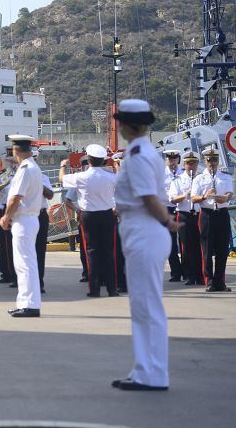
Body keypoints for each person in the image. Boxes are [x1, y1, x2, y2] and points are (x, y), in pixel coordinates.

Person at [109, 99, 180, 391]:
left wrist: (167, 222)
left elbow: (149, 197)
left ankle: (150, 374)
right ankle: (147, 371)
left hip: (144, 226)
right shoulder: (147, 151)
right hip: (144, 228)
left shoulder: (137, 155)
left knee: (145, 306)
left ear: (127, 124)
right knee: (146, 305)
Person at [60, 144, 119, 297]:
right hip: (107, 215)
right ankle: (112, 289)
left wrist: (62, 166)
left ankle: (94, 289)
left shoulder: (82, 177)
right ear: (103, 160)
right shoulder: (111, 177)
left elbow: (62, 180)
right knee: (108, 251)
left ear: (89, 159)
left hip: (89, 216)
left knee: (91, 252)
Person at [0, 135, 43, 317]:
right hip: (28, 219)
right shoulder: (32, 167)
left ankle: (30, 305)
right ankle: (26, 302)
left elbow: (16, 197)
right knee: (24, 263)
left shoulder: (25, 168)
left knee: (25, 264)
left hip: (24, 219)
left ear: (16, 150)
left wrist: (6, 217)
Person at [191, 147, 232, 292]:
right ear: (205, 161)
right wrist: (205, 196)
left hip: (222, 213)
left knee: (223, 250)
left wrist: (223, 197)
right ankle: (209, 281)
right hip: (207, 214)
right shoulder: (199, 178)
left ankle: (220, 282)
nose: (212, 163)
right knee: (207, 250)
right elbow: (193, 197)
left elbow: (229, 195)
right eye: (209, 160)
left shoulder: (225, 177)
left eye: (214, 160)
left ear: (218, 160)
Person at [169, 151, 204, 286]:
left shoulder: (202, 179)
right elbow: (172, 199)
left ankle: (200, 275)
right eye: (189, 163)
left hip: (199, 214)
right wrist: (185, 195)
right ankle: (189, 275)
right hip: (184, 215)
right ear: (184, 164)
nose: (191, 166)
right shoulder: (178, 180)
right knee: (186, 247)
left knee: (201, 246)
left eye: (194, 163)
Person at [62, 157, 91, 283]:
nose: (86, 166)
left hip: (101, 215)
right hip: (85, 216)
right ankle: (87, 273)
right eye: (84, 164)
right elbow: (67, 201)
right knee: (85, 247)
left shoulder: (103, 176)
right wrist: (78, 210)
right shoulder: (78, 180)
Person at [0, 152, 17, 285]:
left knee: (11, 245)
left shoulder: (16, 177)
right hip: (0, 210)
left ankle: (14, 274)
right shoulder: (0, 177)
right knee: (3, 245)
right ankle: (5, 272)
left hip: (11, 211)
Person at [162, 150, 185, 282]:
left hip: (182, 209)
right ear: (166, 159)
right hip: (167, 209)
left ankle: (187, 271)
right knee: (170, 243)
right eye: (170, 158)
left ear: (178, 159)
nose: (172, 161)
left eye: (175, 158)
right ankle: (175, 272)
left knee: (185, 242)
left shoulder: (184, 173)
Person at [37, 170, 54, 294]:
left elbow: (50, 195)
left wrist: (39, 184)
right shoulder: (16, 177)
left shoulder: (42, 177)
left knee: (39, 250)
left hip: (40, 215)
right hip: (23, 216)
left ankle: (39, 282)